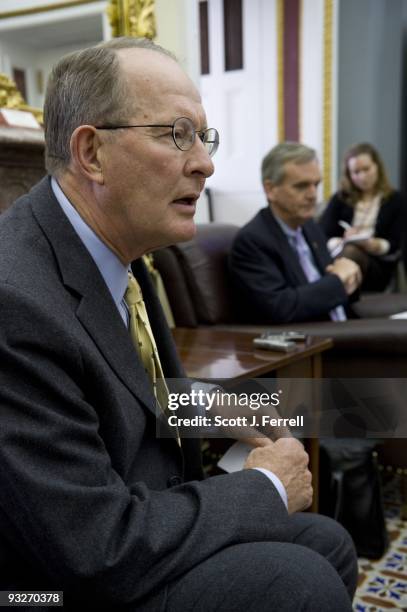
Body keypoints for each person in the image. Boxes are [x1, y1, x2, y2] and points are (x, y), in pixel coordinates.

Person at [0, 39, 357, 611]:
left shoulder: (122, 250)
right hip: (42, 588)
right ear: (91, 153)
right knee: (299, 583)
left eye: (203, 137)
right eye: (177, 134)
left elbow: (124, 391)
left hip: (127, 521)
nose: (206, 163)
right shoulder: (13, 299)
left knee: (329, 542)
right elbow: (92, 546)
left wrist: (211, 405)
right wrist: (263, 487)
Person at [229, 142, 362, 324]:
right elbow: (281, 308)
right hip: (313, 342)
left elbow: (331, 286)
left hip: (344, 325)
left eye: (316, 184)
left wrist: (351, 277)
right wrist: (339, 280)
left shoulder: (310, 227)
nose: (313, 194)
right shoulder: (252, 241)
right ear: (270, 190)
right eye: (301, 186)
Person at [319, 142, 404, 291]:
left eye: (366, 169)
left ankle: (331, 295)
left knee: (350, 252)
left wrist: (374, 245)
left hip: (377, 265)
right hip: (339, 256)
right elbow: (321, 236)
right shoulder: (340, 199)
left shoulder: (395, 200)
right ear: (349, 175)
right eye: (356, 172)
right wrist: (342, 240)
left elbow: (396, 244)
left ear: (377, 166)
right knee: (348, 251)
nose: (362, 176)